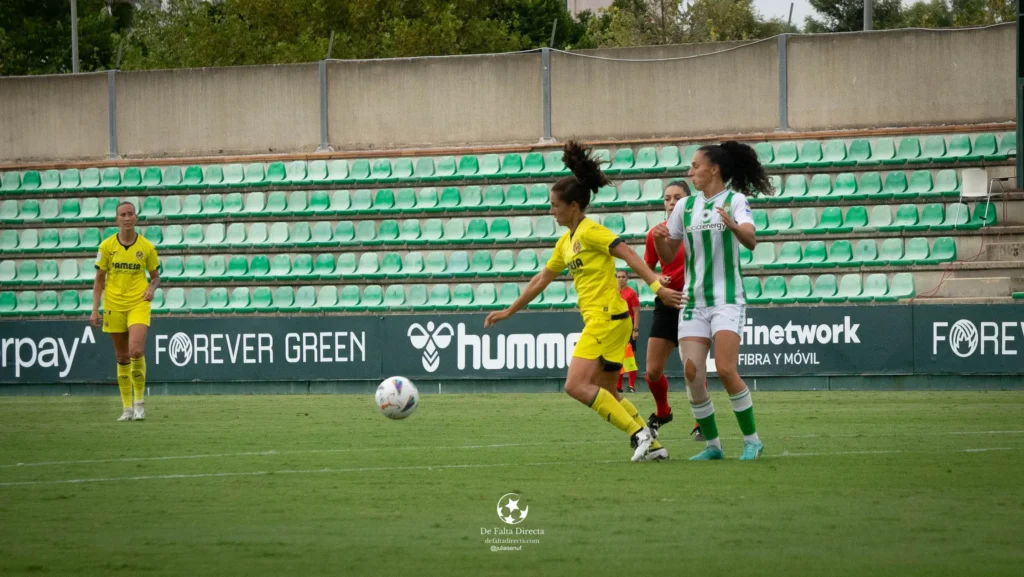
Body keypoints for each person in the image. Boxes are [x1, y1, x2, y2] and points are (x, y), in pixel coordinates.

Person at [486, 141, 685, 462]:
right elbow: (541, 280)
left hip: (606, 320)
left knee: (576, 386)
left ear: (574, 206)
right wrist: (510, 310)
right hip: (611, 321)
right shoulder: (566, 242)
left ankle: (640, 435)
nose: (551, 211)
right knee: (606, 391)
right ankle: (656, 449)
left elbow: (628, 252)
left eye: (555, 205)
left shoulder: (591, 231)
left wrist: (655, 285)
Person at [652, 141, 773, 461]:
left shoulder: (736, 200)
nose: (690, 171)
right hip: (693, 301)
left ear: (714, 169)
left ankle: (752, 441)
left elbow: (750, 241)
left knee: (725, 368)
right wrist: (661, 241)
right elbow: (670, 255)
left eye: (696, 166)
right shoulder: (684, 207)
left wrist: (733, 225)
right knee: (692, 374)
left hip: (727, 299)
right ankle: (713, 446)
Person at [642, 180, 708, 442]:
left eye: (677, 198)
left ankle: (701, 421)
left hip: (696, 303)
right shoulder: (655, 234)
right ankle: (663, 412)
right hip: (667, 303)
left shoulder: (699, 230)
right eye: (667, 198)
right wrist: (659, 281)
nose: (671, 203)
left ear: (688, 201)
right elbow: (647, 268)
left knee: (694, 369)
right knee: (652, 371)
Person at [91, 201, 161, 422]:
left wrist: (151, 289)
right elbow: (99, 279)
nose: (127, 218)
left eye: (130, 214)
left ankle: (139, 403)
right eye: (123, 214)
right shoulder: (106, 247)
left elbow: (156, 277)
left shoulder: (147, 247)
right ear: (117, 219)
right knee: (122, 357)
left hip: (138, 303)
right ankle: (126, 408)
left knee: (136, 351)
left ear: (136, 217)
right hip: (113, 305)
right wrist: (94, 309)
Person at [614, 270, 640, 393]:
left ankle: (631, 385)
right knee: (617, 357)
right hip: (616, 329)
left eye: (623, 277)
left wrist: (635, 329)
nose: (621, 279)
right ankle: (618, 386)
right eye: (619, 277)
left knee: (630, 357)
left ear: (627, 279)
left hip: (628, 328)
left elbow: (636, 312)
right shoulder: (613, 293)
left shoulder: (631, 294)